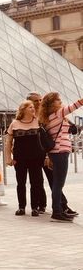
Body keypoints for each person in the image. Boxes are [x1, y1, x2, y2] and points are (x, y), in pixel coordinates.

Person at [38, 92, 83, 222]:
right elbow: (74, 106)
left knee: (57, 183)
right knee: (58, 183)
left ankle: (59, 210)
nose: (60, 102)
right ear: (52, 104)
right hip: (60, 151)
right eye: (58, 100)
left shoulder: (47, 117)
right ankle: (57, 212)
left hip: (55, 152)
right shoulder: (58, 114)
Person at [4, 100, 44, 217]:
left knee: (35, 183)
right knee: (20, 183)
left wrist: (46, 156)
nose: (33, 109)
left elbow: (45, 140)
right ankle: (21, 207)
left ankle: (34, 208)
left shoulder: (38, 122)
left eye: (33, 107)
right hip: (20, 158)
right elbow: (8, 143)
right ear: (23, 109)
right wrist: (8, 158)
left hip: (36, 157)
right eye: (30, 107)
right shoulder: (14, 123)